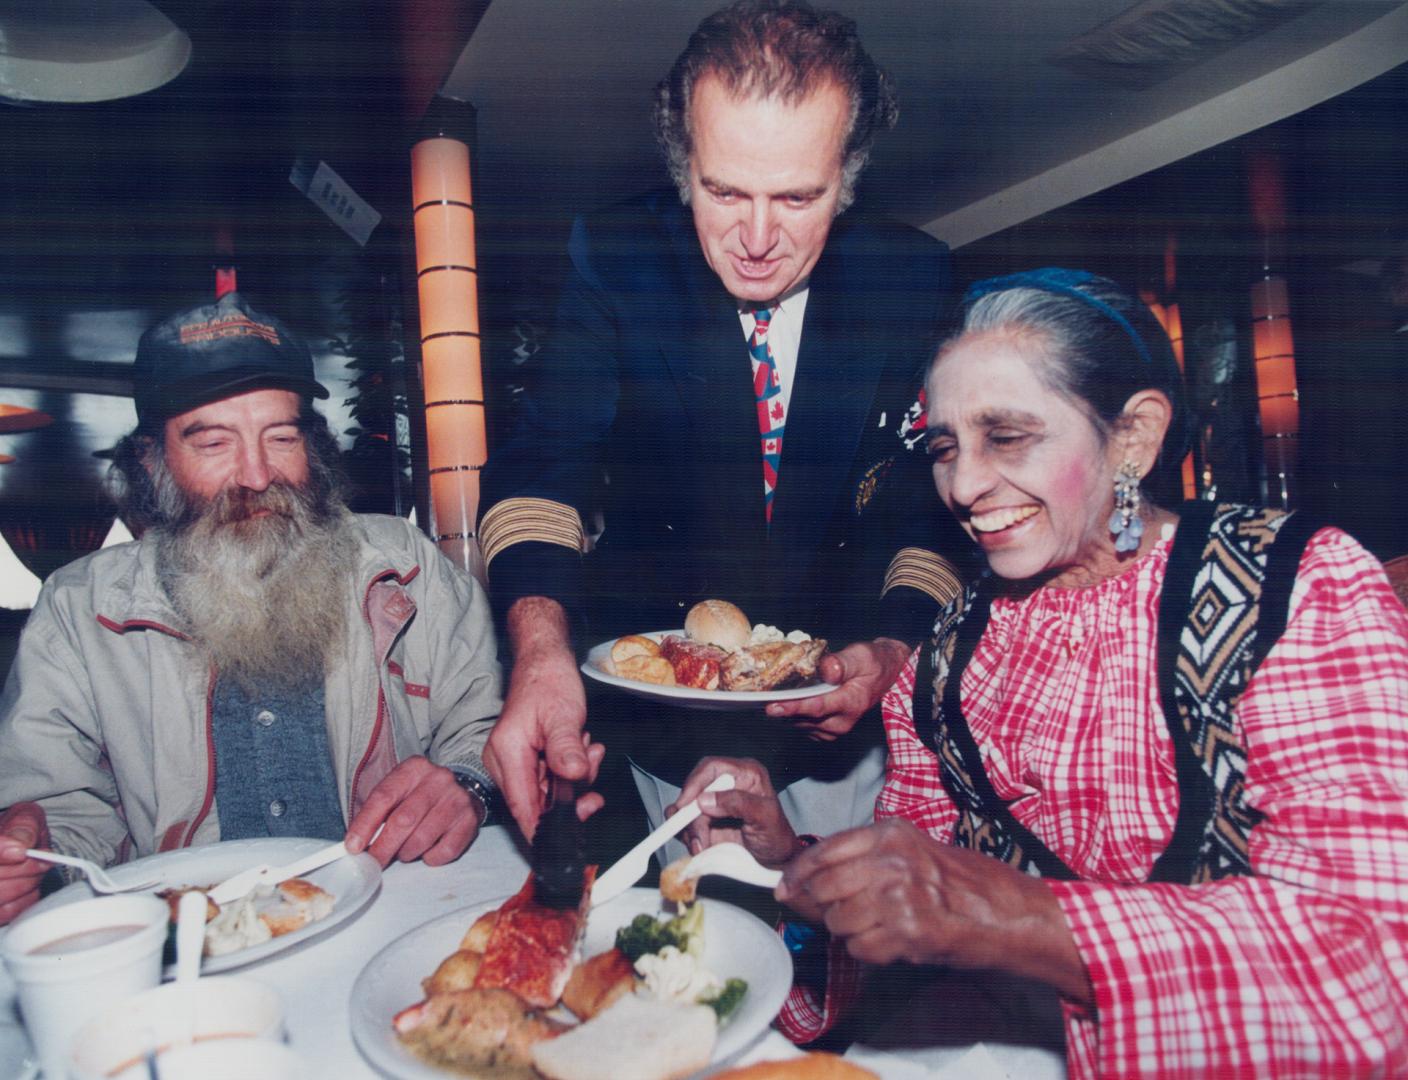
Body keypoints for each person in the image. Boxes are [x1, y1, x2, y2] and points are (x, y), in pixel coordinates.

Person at [674, 269, 1408, 1075]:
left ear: (1133, 437)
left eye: (1008, 436)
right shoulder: (952, 648)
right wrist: (791, 861)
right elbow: (922, 902)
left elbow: (1372, 965)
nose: (962, 484)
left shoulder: (1296, 591)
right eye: (946, 447)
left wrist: (1020, 917)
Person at [479, 0, 970, 842]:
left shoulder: (913, 280)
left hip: (844, 746)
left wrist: (893, 650)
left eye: (798, 197)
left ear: (848, 175)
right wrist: (540, 657)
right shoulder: (616, 257)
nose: (756, 237)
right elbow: (540, 470)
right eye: (723, 191)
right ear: (683, 167)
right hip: (658, 737)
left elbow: (930, 504)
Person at [0, 292, 505, 924]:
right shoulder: (78, 611)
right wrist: (36, 857)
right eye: (214, 443)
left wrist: (467, 783)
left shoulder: (405, 566)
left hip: (396, 909)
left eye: (281, 436)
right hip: (184, 948)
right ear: (153, 460)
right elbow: (69, 820)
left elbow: (486, 729)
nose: (257, 474)